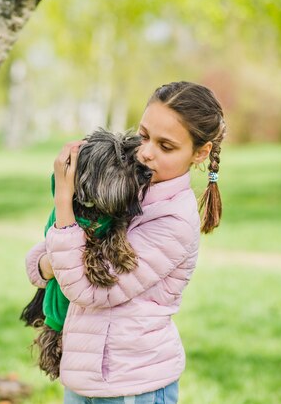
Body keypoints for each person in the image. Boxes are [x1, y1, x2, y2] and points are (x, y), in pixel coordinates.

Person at [25, 81, 226, 403]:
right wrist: (50, 263)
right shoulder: (124, 186)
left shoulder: (172, 220)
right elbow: (37, 264)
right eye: (144, 136)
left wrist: (64, 201)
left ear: (200, 153)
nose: (145, 153)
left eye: (166, 146)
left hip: (132, 384)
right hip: (83, 377)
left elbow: (89, 290)